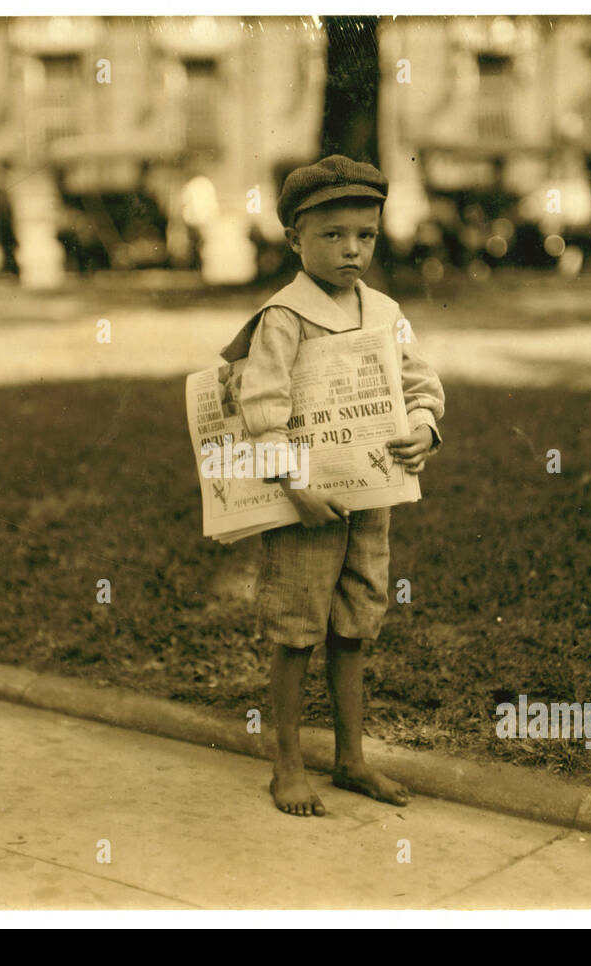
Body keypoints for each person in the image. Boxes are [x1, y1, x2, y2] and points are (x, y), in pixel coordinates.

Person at [220, 155, 446, 817]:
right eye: (332, 235)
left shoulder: (383, 310)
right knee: (296, 631)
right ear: (294, 238)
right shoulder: (284, 316)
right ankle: (286, 763)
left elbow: (419, 383)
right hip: (306, 505)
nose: (352, 249)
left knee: (354, 626)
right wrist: (294, 483)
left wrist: (425, 426)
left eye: (365, 235)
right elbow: (260, 407)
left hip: (369, 499)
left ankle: (352, 759)